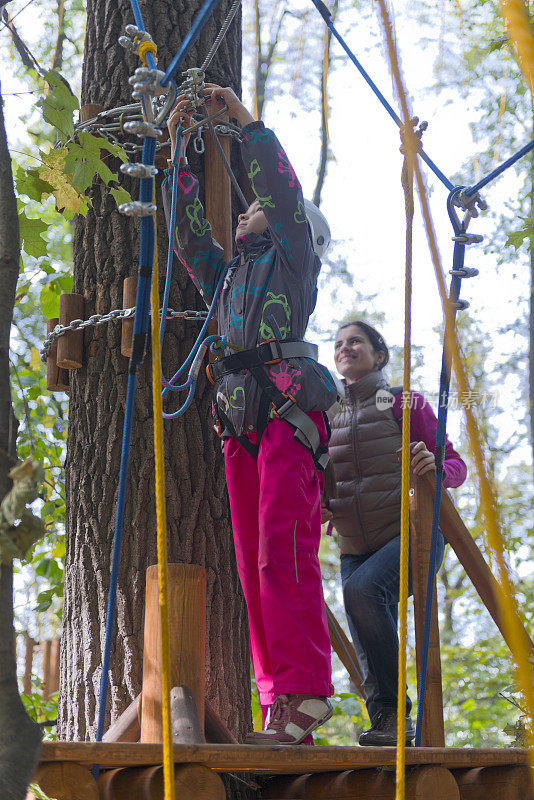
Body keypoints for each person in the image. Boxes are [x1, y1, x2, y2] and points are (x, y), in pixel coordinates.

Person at [163, 85, 338, 744]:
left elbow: (281, 189)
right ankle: (282, 702)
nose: (248, 211)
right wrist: (178, 145)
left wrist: (241, 121)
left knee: (281, 555)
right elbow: (187, 233)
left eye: (256, 207)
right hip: (240, 417)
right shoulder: (230, 276)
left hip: (288, 408)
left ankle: (306, 691)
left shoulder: (293, 255)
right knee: (249, 562)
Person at [322, 320, 467, 746]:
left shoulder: (402, 401)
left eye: (356, 342)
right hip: (353, 546)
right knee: (362, 615)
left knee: (363, 593)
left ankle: (395, 713)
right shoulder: (326, 412)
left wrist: (437, 469)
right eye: (339, 344)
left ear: (378, 355)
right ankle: (386, 722)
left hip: (410, 534)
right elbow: (321, 479)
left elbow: (453, 463)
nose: (345, 348)